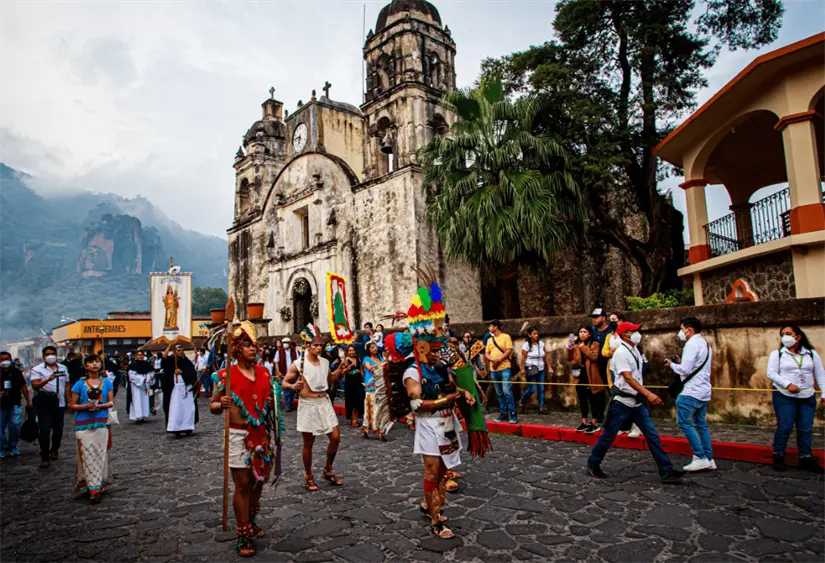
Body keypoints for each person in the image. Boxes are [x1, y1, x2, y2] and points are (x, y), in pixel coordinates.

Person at [402, 278, 476, 539]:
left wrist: (465, 394)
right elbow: (417, 404)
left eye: (438, 350)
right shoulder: (413, 372)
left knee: (444, 470)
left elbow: (454, 387)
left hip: (448, 424)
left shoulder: (441, 367)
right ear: (421, 348)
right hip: (429, 425)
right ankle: (436, 519)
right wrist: (448, 400)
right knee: (433, 473)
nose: (437, 354)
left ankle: (428, 505)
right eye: (433, 350)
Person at [211, 321, 280, 557]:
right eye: (248, 345)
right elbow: (212, 405)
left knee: (257, 482)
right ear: (238, 348)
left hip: (261, 435)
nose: (253, 349)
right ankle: (243, 533)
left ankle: (251, 519)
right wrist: (220, 403)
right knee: (241, 485)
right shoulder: (226, 376)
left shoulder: (264, 373)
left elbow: (271, 403)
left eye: (255, 345)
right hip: (238, 435)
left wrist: (271, 403)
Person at [587, 322, 686, 483]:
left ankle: (666, 470)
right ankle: (593, 463)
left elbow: (638, 374)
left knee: (652, 435)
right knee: (609, 435)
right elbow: (628, 377)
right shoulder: (621, 353)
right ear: (624, 335)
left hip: (636, 402)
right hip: (622, 402)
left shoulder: (635, 351)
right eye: (632, 331)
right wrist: (648, 394)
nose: (636, 333)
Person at [281, 325, 347, 492]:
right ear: (307, 346)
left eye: (320, 345)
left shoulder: (325, 362)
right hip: (308, 404)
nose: (319, 348)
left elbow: (330, 379)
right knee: (308, 443)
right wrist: (293, 386)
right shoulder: (298, 364)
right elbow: (284, 383)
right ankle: (308, 476)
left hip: (324, 402)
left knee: (336, 437)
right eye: (315, 345)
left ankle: (328, 469)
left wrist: (340, 370)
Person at [766, 325, 825, 473]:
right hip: (785, 396)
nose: (784, 337)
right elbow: (772, 373)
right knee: (785, 426)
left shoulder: (811, 354)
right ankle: (778, 455)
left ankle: (805, 457)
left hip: (807, 396)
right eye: (782, 334)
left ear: (798, 336)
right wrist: (788, 384)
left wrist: (824, 393)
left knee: (806, 428)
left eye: (788, 333)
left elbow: (820, 374)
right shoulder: (777, 354)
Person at [665, 317, 715, 472]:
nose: (681, 332)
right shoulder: (705, 344)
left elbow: (685, 370)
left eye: (682, 329)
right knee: (701, 424)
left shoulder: (691, 344)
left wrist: (672, 365)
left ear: (689, 330)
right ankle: (709, 458)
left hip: (691, 391)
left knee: (684, 423)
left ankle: (700, 456)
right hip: (704, 390)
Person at [68, 354, 115, 504]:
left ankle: (99, 482)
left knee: (101, 454)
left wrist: (100, 406)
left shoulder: (106, 382)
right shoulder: (79, 384)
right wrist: (85, 406)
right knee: (87, 454)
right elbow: (72, 405)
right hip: (83, 423)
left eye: (97, 362)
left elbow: (111, 402)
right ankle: (92, 487)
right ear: (85, 366)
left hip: (101, 422)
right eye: (91, 362)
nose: (95, 364)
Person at [30, 345, 70, 468]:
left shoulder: (63, 368)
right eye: (48, 354)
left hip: (60, 403)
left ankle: (55, 449)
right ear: (44, 356)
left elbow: (67, 385)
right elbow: (35, 385)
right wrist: (48, 379)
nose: (50, 356)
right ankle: (45, 456)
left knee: (58, 428)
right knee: (45, 429)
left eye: (53, 353)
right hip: (45, 403)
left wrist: (69, 401)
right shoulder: (37, 369)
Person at [565, 327, 605, 433]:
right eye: (580, 332)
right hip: (579, 376)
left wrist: (583, 347)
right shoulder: (576, 345)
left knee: (593, 400)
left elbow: (594, 357)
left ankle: (594, 423)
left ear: (589, 334)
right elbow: (569, 358)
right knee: (582, 400)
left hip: (591, 376)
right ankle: (584, 422)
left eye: (585, 332)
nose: (582, 334)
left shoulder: (595, 344)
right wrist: (569, 347)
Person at [484, 320, 517, 424]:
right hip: (493, 368)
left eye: (490, 326)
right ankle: (503, 413)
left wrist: (499, 359)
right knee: (499, 393)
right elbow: (486, 353)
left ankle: (512, 413)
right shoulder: (490, 339)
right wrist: (492, 359)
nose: (489, 328)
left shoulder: (506, 337)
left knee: (507, 391)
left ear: (496, 327)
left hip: (504, 367)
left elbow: (508, 350)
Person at [163, 344, 198, 436]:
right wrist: (170, 344)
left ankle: (187, 427)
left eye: (182, 350)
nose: (181, 352)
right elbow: (164, 358)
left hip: (187, 388)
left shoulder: (187, 361)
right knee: (176, 409)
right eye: (178, 350)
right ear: (174, 351)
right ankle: (176, 428)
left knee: (188, 409)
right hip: (176, 389)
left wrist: (182, 372)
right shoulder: (171, 360)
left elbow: (192, 373)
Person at [0, 351, 31, 457]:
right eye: (2, 359)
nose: (4, 361)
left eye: (6, 359)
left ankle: (13, 446)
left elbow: (23, 386)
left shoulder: (16, 372)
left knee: (15, 426)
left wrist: (28, 401)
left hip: (14, 403)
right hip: (0, 405)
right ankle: (3, 447)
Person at [519, 327, 553, 415]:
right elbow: (523, 357)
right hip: (531, 368)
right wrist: (522, 368)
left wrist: (549, 367)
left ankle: (541, 408)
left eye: (537, 333)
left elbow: (545, 356)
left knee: (541, 389)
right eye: (534, 334)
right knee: (532, 389)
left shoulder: (541, 343)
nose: (536, 335)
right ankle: (521, 402)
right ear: (529, 335)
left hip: (541, 368)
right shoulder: (526, 345)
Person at [361, 342, 388, 440]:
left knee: (382, 409)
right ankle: (365, 429)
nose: (375, 349)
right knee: (370, 409)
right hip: (371, 387)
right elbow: (370, 369)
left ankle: (381, 432)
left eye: (375, 347)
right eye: (372, 347)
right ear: (368, 349)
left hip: (381, 386)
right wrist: (383, 363)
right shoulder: (366, 359)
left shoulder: (381, 358)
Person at [126, 351, 154, 424]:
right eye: (138, 355)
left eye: (141, 355)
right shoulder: (132, 365)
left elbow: (151, 373)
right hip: (136, 386)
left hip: (145, 385)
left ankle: (143, 415)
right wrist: (142, 380)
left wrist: (149, 378)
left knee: (144, 400)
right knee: (137, 400)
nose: (140, 356)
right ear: (136, 356)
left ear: (143, 356)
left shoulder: (147, 364)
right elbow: (132, 375)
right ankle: (138, 417)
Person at [343, 345, 365, 427]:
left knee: (359, 399)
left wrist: (363, 380)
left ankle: (358, 416)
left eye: (353, 350)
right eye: (350, 350)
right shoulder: (345, 360)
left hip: (358, 382)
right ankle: (353, 419)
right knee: (351, 400)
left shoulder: (358, 359)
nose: (352, 352)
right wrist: (350, 367)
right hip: (350, 383)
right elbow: (343, 371)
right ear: (347, 352)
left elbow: (361, 370)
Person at [275, 337, 298, 411]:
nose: (285, 344)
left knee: (292, 390)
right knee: (286, 390)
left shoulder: (295, 351)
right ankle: (288, 405)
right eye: (284, 343)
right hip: (284, 373)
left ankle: (289, 403)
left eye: (287, 343)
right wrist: (278, 371)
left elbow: (298, 361)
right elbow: (276, 362)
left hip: (293, 374)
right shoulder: (279, 351)